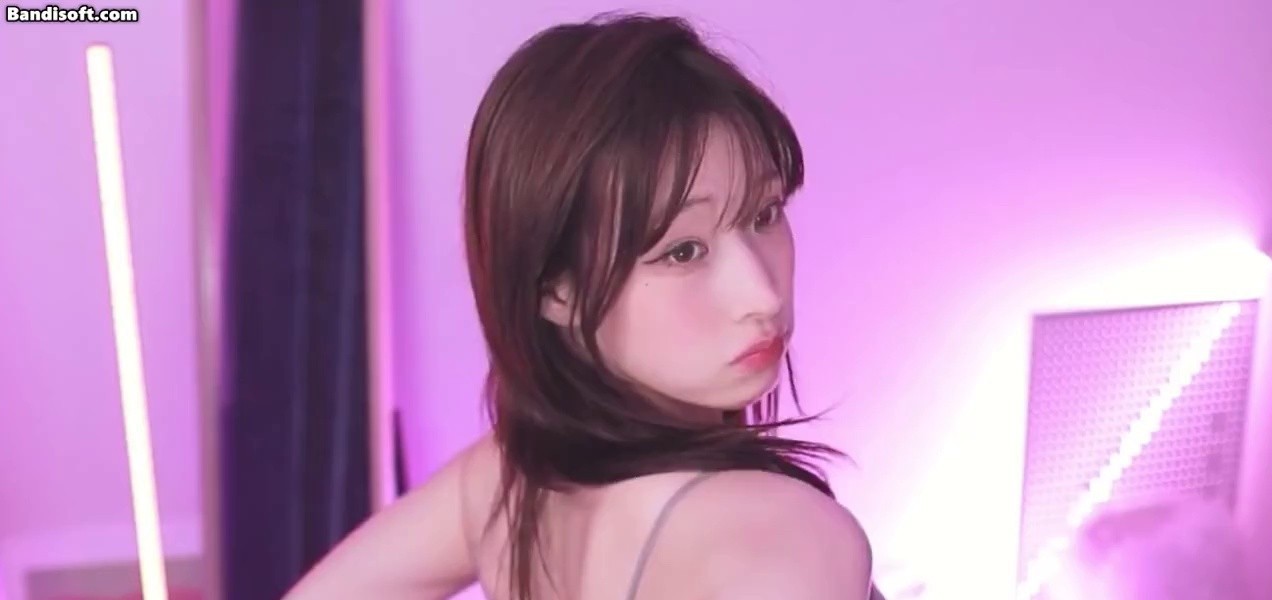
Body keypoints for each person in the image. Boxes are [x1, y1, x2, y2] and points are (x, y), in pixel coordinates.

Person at [285, 12, 879, 600]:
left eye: (764, 214)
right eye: (682, 251)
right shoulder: (777, 537)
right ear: (554, 290)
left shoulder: (507, 484)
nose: (763, 295)